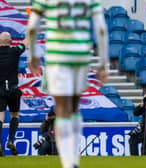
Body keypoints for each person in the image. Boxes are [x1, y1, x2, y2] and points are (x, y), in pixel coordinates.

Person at [27, 0, 108, 168]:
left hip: (58, 56)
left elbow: (33, 26)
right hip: (80, 55)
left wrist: (32, 55)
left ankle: (68, 163)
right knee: (75, 108)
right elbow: (101, 29)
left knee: (62, 110)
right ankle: (75, 160)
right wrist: (102, 63)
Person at [0, 32, 26, 156]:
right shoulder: (15, 51)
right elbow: (25, 44)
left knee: (0, 117)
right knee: (15, 115)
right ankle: (10, 140)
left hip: (0, 90)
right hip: (13, 89)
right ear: (10, 41)